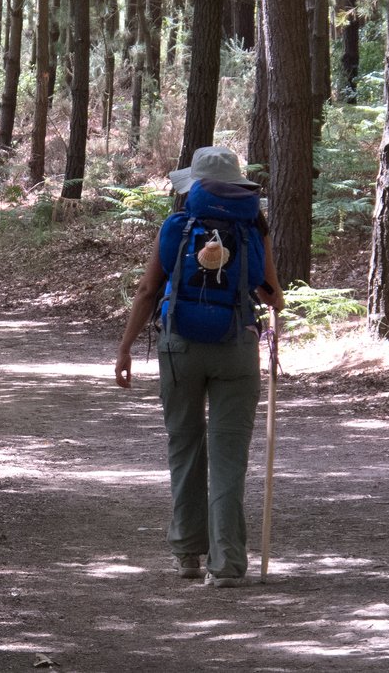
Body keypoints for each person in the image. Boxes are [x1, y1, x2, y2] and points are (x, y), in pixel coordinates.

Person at [115, 146, 284, 588]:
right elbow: (273, 297)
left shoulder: (176, 226)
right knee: (229, 459)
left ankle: (188, 554)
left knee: (185, 448)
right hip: (236, 349)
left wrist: (126, 348)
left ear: (193, 186)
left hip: (179, 349)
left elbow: (148, 290)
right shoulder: (253, 228)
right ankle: (227, 565)